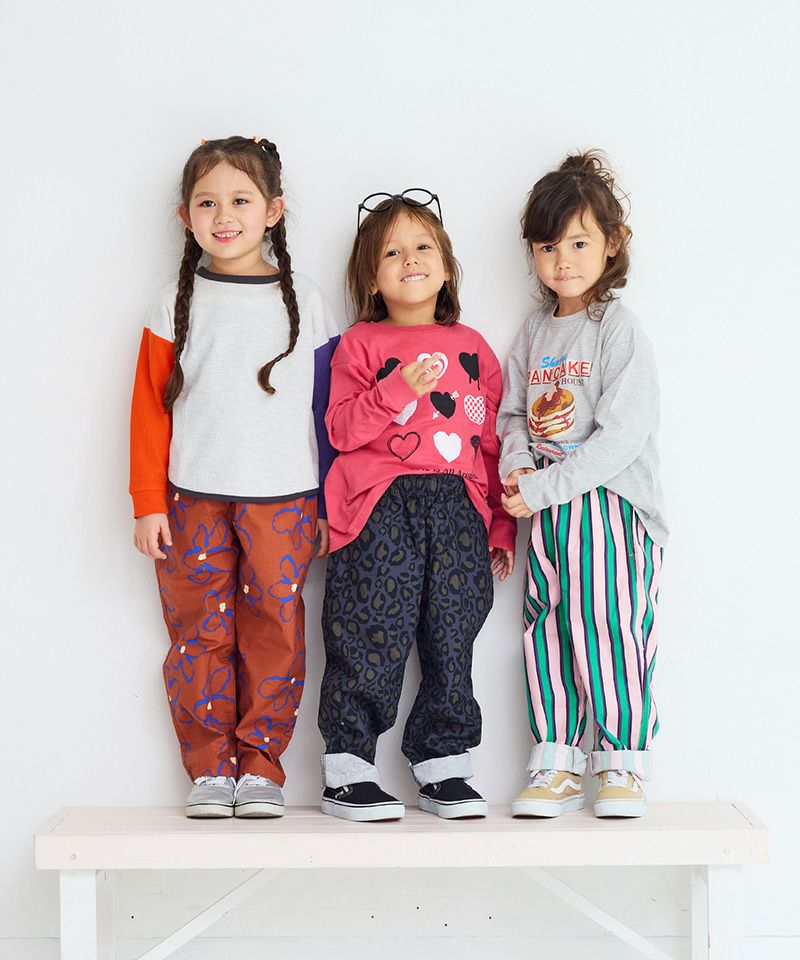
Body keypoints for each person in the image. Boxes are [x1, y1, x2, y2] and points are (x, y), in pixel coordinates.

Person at [129, 135, 339, 819]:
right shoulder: (174, 301)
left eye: (241, 200)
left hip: (286, 500)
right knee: (199, 634)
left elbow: (329, 410)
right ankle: (209, 770)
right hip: (191, 500)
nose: (224, 216)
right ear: (185, 216)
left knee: (275, 630)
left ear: (273, 211)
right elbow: (149, 409)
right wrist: (148, 501)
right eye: (207, 203)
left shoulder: (307, 301)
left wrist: (331, 502)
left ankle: (261, 767)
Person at [317, 190, 517, 821]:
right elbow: (341, 430)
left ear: (447, 265)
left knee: (452, 635)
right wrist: (394, 390)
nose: (410, 259)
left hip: (458, 507)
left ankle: (443, 765)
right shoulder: (360, 345)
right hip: (379, 505)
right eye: (391, 253)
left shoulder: (473, 347)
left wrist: (501, 526)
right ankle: (348, 770)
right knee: (367, 631)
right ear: (369, 280)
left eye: (423, 246)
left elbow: (491, 444)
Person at [498, 152, 667, 819]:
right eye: (548, 247)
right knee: (546, 629)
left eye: (578, 243)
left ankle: (621, 762)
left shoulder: (617, 329)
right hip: (547, 509)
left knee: (608, 626)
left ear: (611, 243)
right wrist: (518, 466)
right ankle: (558, 760)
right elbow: (514, 413)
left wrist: (546, 487)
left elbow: (623, 436)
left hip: (606, 506)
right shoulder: (536, 331)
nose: (562, 260)